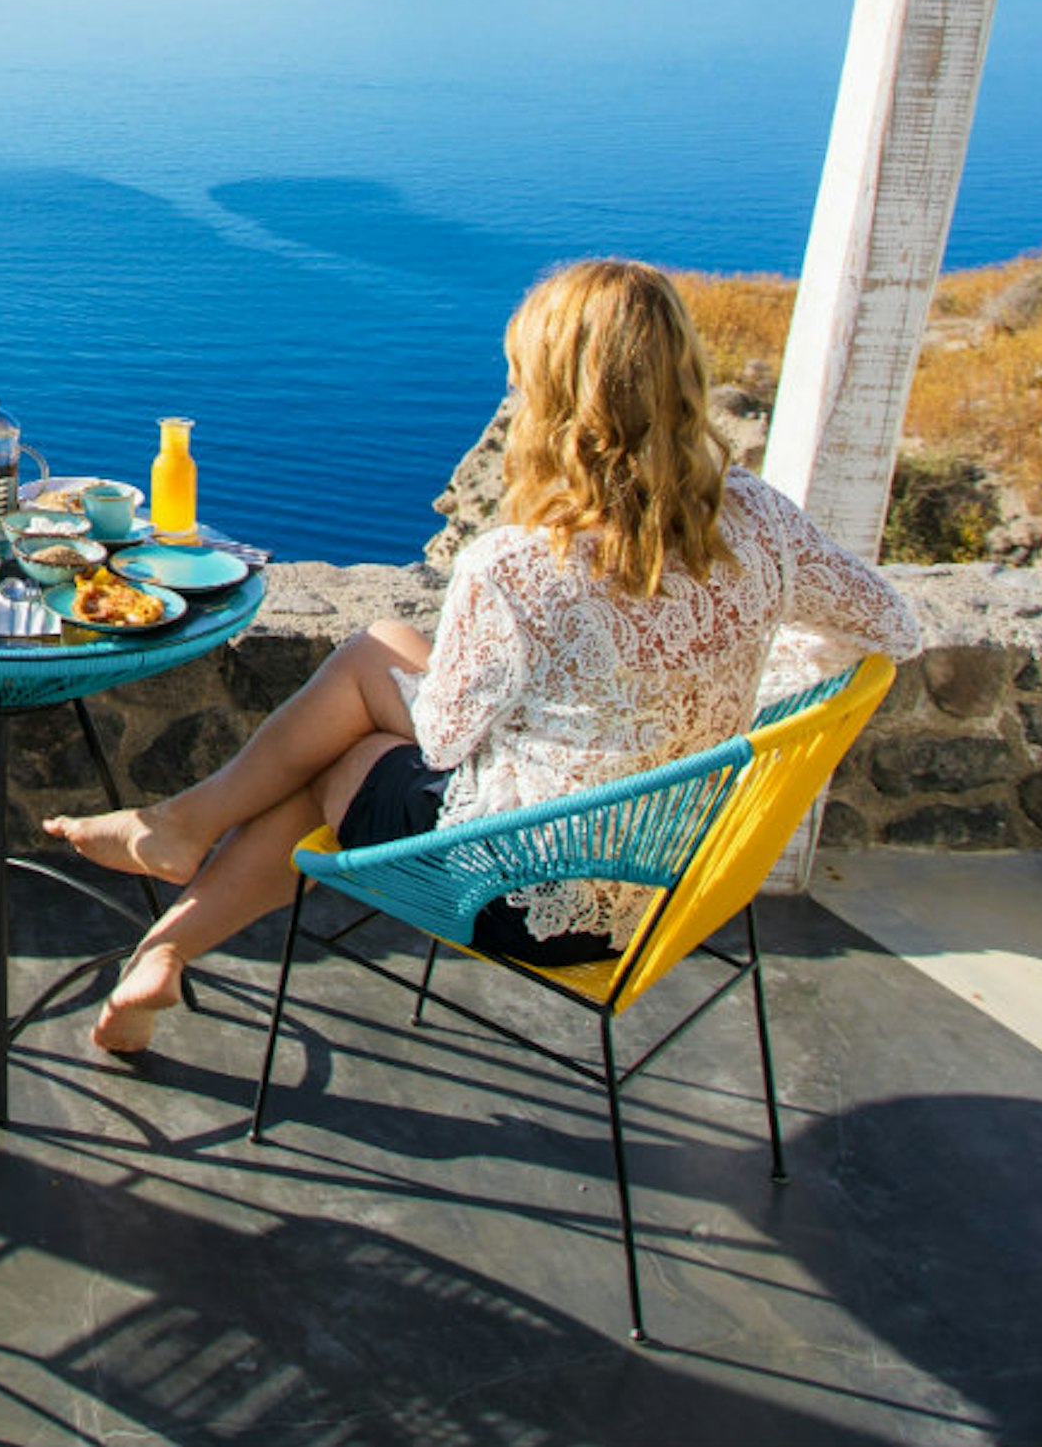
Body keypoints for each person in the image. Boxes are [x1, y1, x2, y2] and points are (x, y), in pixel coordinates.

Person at [48, 258, 922, 1057]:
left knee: (346, 748)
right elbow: (890, 623)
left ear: (554, 399)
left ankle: (172, 877)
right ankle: (164, 907)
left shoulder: (523, 562)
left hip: (525, 895)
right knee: (374, 656)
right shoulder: (759, 521)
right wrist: (736, 705)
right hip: (678, 874)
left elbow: (445, 736)